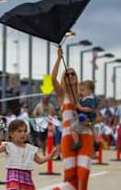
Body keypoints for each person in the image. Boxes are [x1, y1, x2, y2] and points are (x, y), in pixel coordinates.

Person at [51, 47, 94, 190]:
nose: (70, 76)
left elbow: (95, 117)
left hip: (85, 133)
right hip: (68, 135)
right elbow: (52, 78)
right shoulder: (62, 95)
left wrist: (88, 122)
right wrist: (58, 58)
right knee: (70, 173)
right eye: (67, 74)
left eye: (73, 73)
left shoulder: (83, 96)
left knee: (83, 170)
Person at [0, 119, 58, 190]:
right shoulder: (8, 146)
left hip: (26, 178)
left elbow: (39, 160)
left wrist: (51, 155)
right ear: (11, 134)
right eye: (20, 131)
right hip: (13, 177)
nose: (23, 133)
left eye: (25, 131)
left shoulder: (30, 148)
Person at [70, 80, 98, 151]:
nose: (81, 92)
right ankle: (96, 142)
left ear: (90, 91)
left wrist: (80, 107)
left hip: (86, 118)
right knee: (92, 129)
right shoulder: (92, 99)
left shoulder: (88, 100)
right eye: (80, 90)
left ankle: (77, 142)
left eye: (83, 90)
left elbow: (89, 109)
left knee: (72, 129)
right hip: (91, 119)